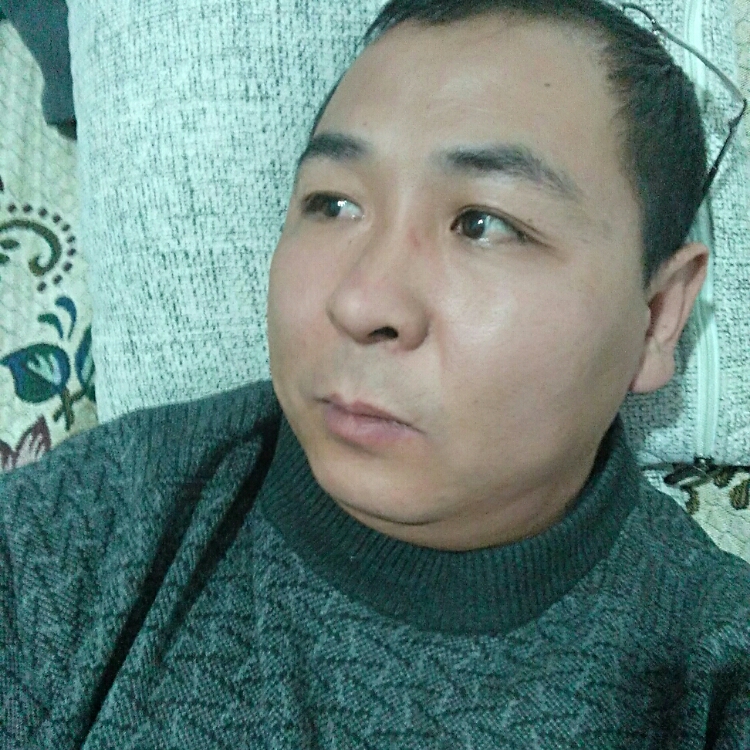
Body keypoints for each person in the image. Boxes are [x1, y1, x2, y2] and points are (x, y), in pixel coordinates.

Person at [2, 0, 749, 746]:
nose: (360, 303)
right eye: (332, 204)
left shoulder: (708, 673)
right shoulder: (97, 527)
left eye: (483, 224)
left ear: (656, 317)